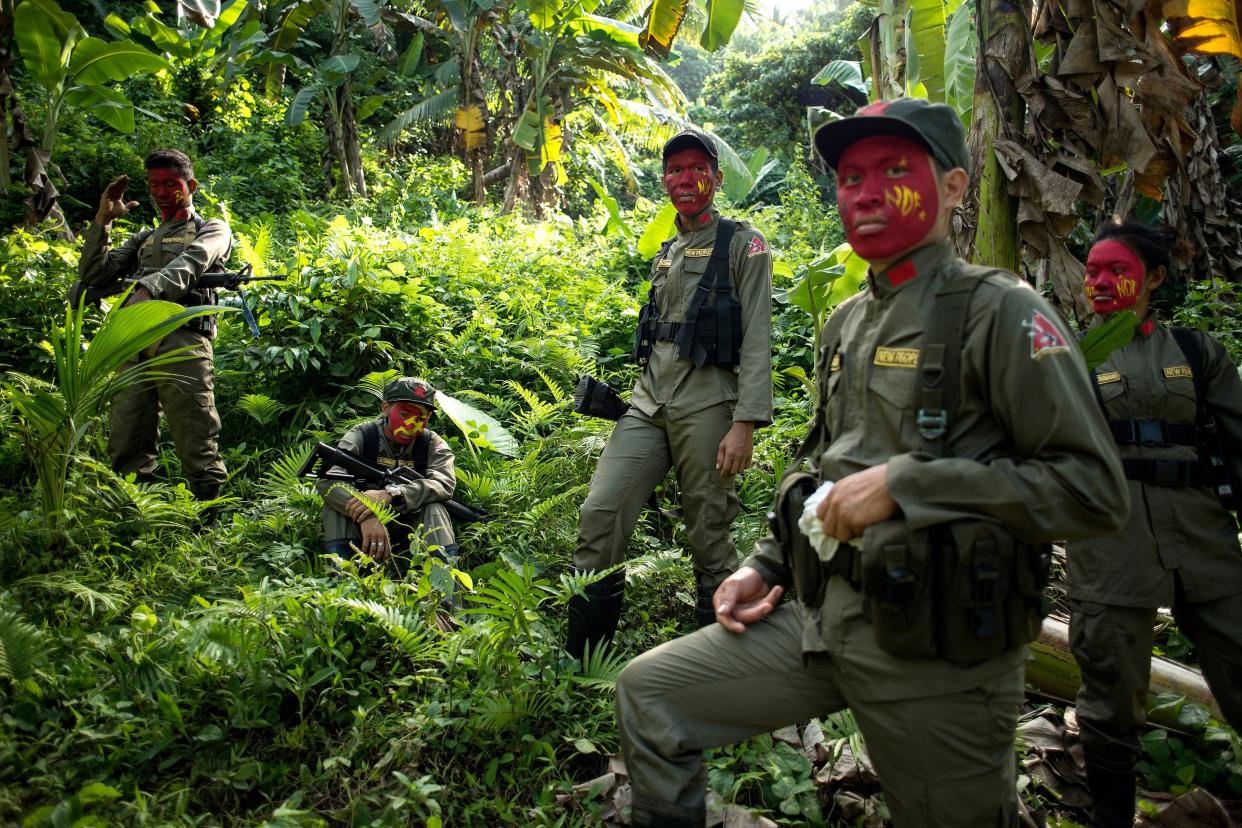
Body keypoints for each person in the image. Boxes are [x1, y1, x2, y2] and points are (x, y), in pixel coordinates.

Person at [614, 98, 1131, 828]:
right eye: (850, 175)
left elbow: (1096, 493)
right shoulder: (848, 320)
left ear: (953, 186)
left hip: (937, 650)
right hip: (821, 621)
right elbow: (823, 465)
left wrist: (908, 483)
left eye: (894, 169)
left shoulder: (1002, 313)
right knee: (651, 696)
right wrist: (765, 564)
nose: (863, 191)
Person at [568, 128, 773, 659]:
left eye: (697, 168)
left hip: (708, 405)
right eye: (675, 170)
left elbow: (757, 337)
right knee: (600, 514)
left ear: (716, 177)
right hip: (648, 404)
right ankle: (584, 661)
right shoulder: (667, 249)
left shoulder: (743, 244)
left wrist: (745, 422)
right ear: (664, 180)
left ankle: (721, 662)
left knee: (709, 532)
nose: (686, 179)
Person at [1068, 220, 1242, 828]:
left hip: (1203, 539)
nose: (1101, 283)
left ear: (1156, 278)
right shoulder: (1065, 357)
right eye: (1092, 271)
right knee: (1111, 699)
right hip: (1111, 546)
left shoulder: (1197, 353)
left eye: (1118, 270)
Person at [76, 149, 231, 503]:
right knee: (127, 435)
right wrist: (103, 222)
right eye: (154, 185)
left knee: (195, 435)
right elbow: (93, 275)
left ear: (190, 185)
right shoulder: (145, 238)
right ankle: (140, 516)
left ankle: (206, 521)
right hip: (134, 341)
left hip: (183, 337)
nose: (161, 192)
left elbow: (194, 262)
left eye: (170, 184)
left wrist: (148, 289)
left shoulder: (211, 228)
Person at [319, 377, 458, 579]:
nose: (412, 425)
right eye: (404, 414)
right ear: (385, 408)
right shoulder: (363, 436)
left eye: (422, 419)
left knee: (434, 507)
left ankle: (446, 596)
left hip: (411, 524)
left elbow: (444, 483)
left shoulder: (431, 443)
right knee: (335, 506)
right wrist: (369, 513)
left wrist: (393, 495)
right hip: (362, 528)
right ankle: (344, 584)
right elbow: (328, 479)